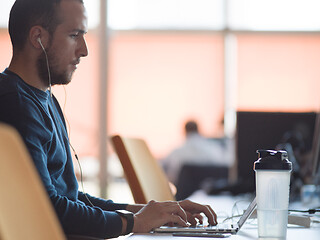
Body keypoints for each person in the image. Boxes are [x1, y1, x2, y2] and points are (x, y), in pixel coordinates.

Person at [0, 0, 217, 239]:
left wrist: (147, 213)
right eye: (74, 35)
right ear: (38, 37)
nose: (84, 49)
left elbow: (69, 198)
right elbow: (47, 209)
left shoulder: (44, 99)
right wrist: (133, 222)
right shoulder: (15, 104)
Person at [162, 120, 234, 185]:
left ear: (184, 132)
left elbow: (166, 172)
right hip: (207, 194)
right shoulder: (213, 149)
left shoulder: (176, 153)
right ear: (198, 130)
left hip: (183, 196)